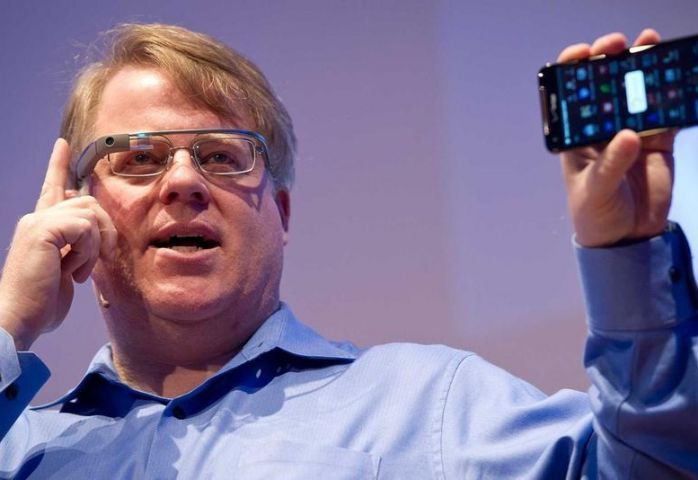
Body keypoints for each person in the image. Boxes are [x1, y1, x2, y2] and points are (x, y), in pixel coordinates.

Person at [0, 23, 695, 479]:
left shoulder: (433, 406)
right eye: (138, 158)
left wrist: (627, 255)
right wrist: (8, 326)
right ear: (74, 215)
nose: (183, 181)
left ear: (281, 214)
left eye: (222, 156)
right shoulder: (21, 448)